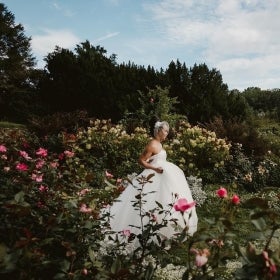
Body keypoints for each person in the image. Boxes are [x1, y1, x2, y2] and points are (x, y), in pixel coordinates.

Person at [108, 121, 198, 244]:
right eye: (165, 130)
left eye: (167, 131)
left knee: (167, 199)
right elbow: (141, 160)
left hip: (163, 175)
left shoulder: (159, 144)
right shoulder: (152, 144)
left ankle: (168, 229)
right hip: (153, 175)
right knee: (150, 200)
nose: (167, 133)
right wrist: (154, 168)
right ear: (158, 130)